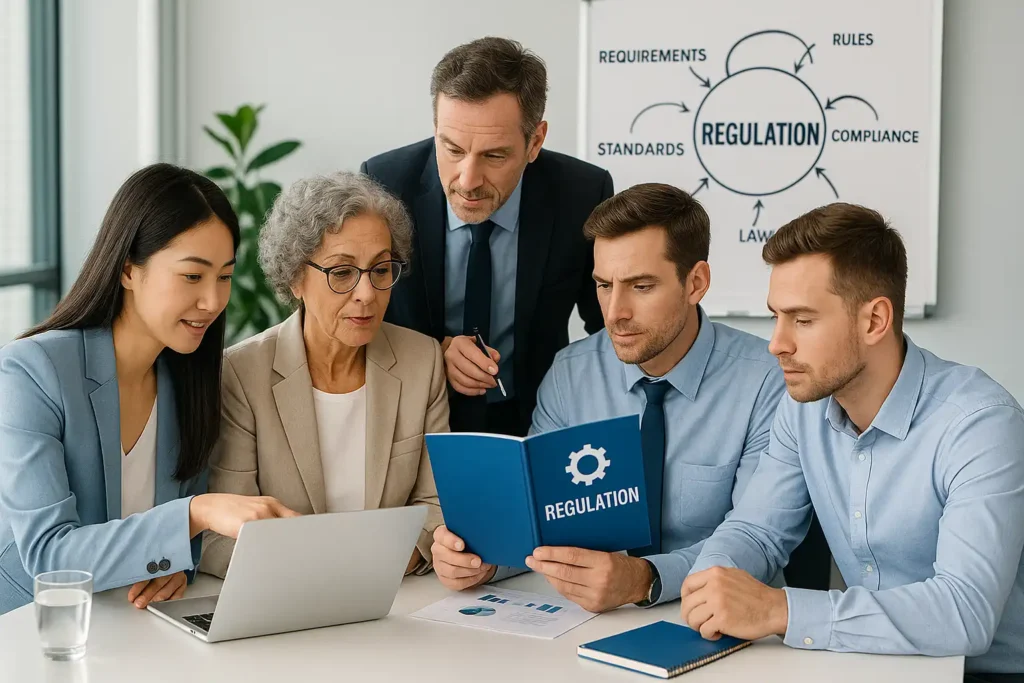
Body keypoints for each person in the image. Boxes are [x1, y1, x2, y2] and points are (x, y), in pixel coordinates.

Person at [678, 204, 1024, 682]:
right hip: (860, 663)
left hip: (985, 674)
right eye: (776, 316)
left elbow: (964, 613)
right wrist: (712, 584)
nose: (776, 343)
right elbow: (756, 531)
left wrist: (782, 610)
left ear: (875, 321)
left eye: (802, 320)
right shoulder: (800, 407)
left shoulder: (980, 424)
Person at [430, 183, 785, 610]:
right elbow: (539, 524)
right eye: (603, 285)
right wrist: (483, 560)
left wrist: (646, 580)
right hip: (581, 623)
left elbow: (758, 538)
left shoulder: (766, 380)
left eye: (641, 287)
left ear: (696, 282)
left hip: (722, 621)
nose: (615, 312)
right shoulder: (570, 373)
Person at [0, 163, 300, 615]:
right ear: (127, 271)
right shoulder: (32, 371)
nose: (214, 302)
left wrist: (179, 565)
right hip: (31, 630)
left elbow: (170, 547)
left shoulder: (191, 382)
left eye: (224, 276)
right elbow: (49, 557)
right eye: (192, 276)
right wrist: (194, 515)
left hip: (134, 628)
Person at [361, 36, 612, 437]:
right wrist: (432, 352)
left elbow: (608, 327)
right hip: (409, 422)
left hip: (536, 420)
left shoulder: (582, 194)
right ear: (435, 129)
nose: (468, 181)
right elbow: (359, 320)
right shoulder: (384, 183)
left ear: (535, 141)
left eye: (494, 156)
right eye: (453, 149)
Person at [200, 172, 446, 579]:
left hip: (395, 599)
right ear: (296, 277)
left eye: (380, 270)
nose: (366, 293)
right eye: (342, 272)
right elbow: (221, 537)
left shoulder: (422, 360)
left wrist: (387, 562)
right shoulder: (242, 374)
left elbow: (436, 505)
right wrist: (333, 571)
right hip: (287, 601)